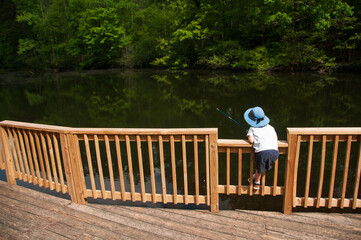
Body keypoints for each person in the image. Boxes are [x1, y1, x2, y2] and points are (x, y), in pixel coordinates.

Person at [244, 106, 279, 190]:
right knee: (265, 166)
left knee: (260, 168)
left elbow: (251, 141)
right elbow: (276, 138)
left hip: (262, 153)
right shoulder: (271, 127)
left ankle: (256, 183)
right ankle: (255, 176)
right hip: (275, 152)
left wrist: (248, 134)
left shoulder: (252, 128)